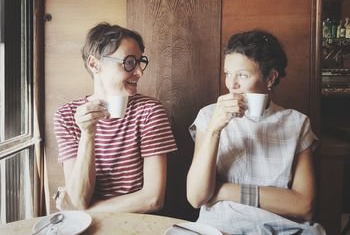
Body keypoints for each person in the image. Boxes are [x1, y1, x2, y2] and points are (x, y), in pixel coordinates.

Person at [186, 30, 325, 234]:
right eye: (227, 73)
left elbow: (304, 207)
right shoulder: (209, 116)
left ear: (270, 78)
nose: (231, 84)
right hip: (220, 227)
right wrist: (215, 130)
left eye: (242, 75)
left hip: (283, 229)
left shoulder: (297, 123)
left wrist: (223, 190)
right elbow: (197, 197)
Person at [53, 22, 177, 213]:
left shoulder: (150, 111)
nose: (139, 71)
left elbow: (153, 200)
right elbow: (79, 198)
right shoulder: (66, 116)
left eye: (140, 61)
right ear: (94, 64)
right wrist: (88, 134)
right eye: (129, 62)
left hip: (137, 224)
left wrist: (82, 212)